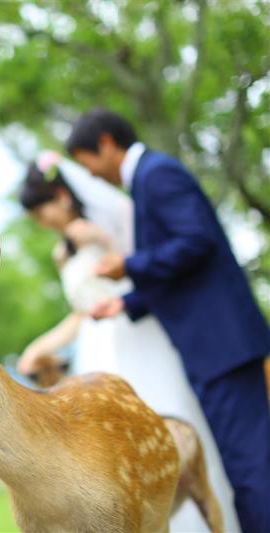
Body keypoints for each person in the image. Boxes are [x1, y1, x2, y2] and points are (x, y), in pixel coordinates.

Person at [65, 108, 270, 533]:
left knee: (250, 466)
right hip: (217, 346)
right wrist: (128, 303)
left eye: (90, 163)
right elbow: (181, 270)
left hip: (221, 344)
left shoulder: (158, 174)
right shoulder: (148, 179)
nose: (94, 176)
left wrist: (130, 265)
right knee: (247, 461)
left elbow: (197, 241)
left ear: (106, 143)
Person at [17, 152, 240, 532]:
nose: (43, 222)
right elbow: (81, 313)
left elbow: (147, 268)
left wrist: (103, 240)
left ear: (61, 196)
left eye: (42, 212)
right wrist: (40, 346)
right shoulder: (61, 252)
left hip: (136, 333)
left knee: (166, 430)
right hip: (96, 349)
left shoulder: (115, 217)